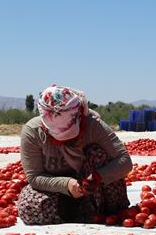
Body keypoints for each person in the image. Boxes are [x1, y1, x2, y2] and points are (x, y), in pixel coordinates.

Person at [17, 85, 132, 225]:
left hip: (95, 190)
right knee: (28, 208)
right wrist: (67, 185)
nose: (67, 140)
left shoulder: (93, 126)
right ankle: (75, 210)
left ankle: (98, 209)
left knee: (97, 152)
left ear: (78, 116)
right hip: (57, 192)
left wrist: (97, 177)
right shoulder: (33, 132)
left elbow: (124, 161)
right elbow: (34, 177)